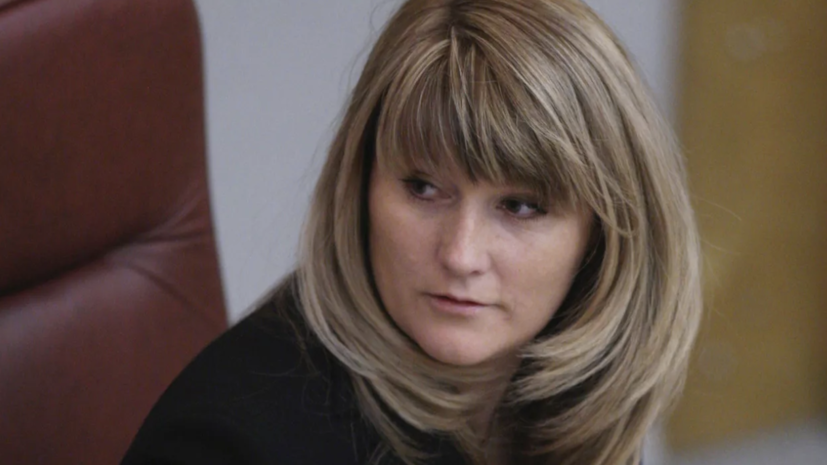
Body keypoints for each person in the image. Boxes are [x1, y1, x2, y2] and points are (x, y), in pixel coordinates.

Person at [121, 0, 702, 464]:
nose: (460, 254)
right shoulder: (228, 445)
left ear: (603, 234)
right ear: (361, 186)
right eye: (423, 188)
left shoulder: (564, 399)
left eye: (520, 206)